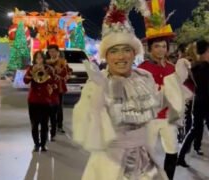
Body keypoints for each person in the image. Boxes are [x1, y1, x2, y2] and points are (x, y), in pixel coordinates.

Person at [73, 0, 188, 179]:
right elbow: (86, 129)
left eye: (127, 49)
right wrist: (98, 95)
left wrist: (176, 81)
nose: (121, 56)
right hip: (110, 164)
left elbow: (154, 107)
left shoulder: (143, 77)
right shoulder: (98, 82)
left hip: (144, 160)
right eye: (114, 51)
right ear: (106, 55)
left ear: (134, 53)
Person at [137, 1, 187, 179]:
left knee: (172, 151)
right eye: (157, 46)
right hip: (150, 118)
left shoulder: (172, 68)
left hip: (168, 118)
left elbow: (177, 93)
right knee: (147, 153)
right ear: (149, 49)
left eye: (164, 46)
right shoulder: (142, 68)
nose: (161, 49)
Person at [177, 39, 209, 167]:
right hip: (205, 102)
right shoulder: (203, 67)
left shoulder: (195, 66)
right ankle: (180, 157)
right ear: (206, 51)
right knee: (195, 129)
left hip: (199, 102)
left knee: (194, 129)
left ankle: (180, 157)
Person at [24, 51, 57, 152]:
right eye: (37, 58)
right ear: (34, 59)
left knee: (44, 124)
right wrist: (31, 73)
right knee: (34, 124)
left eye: (40, 58)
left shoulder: (48, 69)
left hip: (45, 100)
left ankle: (43, 144)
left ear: (43, 59)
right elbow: (25, 81)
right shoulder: (30, 68)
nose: (39, 60)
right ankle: (36, 144)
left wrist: (46, 75)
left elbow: (54, 81)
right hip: (33, 100)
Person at [46, 44, 72, 133]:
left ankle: (59, 125)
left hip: (60, 87)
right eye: (50, 52)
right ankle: (50, 124)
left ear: (58, 52)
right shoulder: (46, 62)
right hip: (49, 88)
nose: (52, 53)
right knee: (49, 106)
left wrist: (63, 72)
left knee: (59, 107)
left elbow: (68, 72)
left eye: (54, 51)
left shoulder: (63, 62)